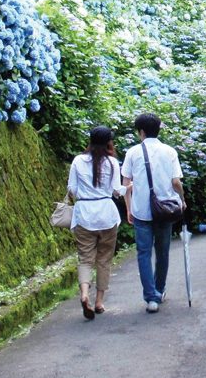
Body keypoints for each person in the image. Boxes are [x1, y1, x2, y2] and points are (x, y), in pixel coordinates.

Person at [122, 113, 186, 313]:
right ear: (158, 129)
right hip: (165, 209)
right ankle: (160, 290)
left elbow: (126, 184)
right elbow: (176, 182)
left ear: (141, 132)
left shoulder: (133, 152)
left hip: (141, 210)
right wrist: (182, 199)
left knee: (143, 253)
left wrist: (128, 208)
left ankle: (151, 297)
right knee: (163, 251)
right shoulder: (169, 151)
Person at [67, 126, 126, 320]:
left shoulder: (78, 160)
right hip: (106, 215)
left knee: (85, 259)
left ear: (90, 140)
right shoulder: (112, 162)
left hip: (84, 214)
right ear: (109, 141)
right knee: (104, 259)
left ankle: (85, 294)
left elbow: (72, 190)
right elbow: (117, 191)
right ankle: (99, 301)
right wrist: (129, 188)